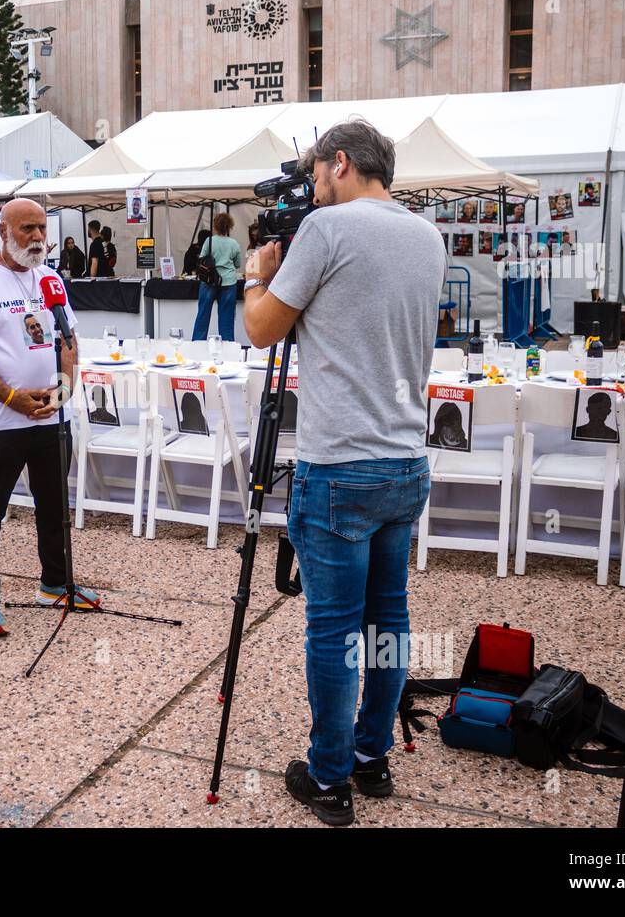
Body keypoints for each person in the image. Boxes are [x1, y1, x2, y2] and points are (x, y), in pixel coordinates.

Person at [242, 119, 444, 827]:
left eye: (316, 174)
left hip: (339, 467)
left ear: (339, 164)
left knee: (332, 631)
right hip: (405, 461)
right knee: (388, 620)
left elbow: (262, 329)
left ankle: (327, 779)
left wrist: (255, 276)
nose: (313, 189)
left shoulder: (326, 234)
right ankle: (371, 756)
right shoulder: (429, 235)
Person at [0, 197, 97, 640]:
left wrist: (65, 389)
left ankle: (55, 583)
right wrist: (13, 397)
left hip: (52, 419)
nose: (37, 237)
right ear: (3, 231)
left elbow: (68, 338)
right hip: (2, 422)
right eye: (26, 229)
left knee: (53, 506)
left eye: (41, 229)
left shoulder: (51, 279)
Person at [193, 212, 244, 342]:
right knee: (226, 319)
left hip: (209, 281)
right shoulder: (234, 243)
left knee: (203, 316)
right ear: (229, 227)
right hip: (228, 282)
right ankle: (227, 349)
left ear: (215, 226)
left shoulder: (208, 241)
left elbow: (201, 259)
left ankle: (197, 346)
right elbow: (238, 264)